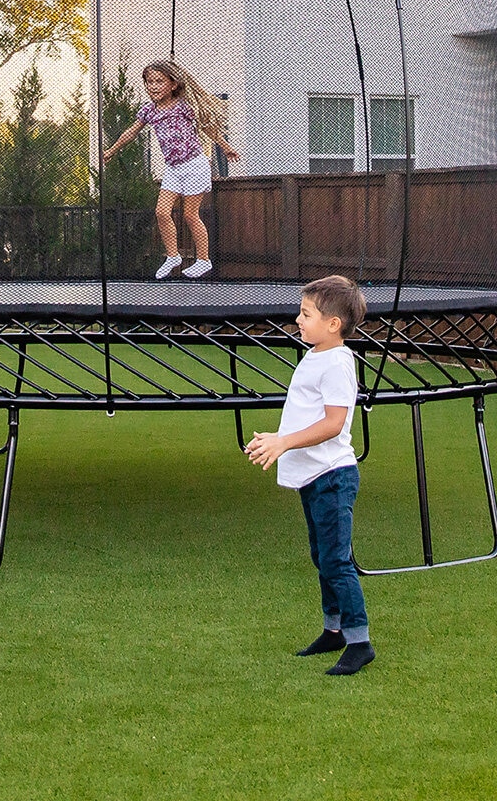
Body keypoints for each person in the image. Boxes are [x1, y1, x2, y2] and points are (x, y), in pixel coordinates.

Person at [245, 275, 375, 676]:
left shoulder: (337, 362)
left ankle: (359, 641)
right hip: (314, 478)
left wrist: (283, 443)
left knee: (336, 561)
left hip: (333, 477)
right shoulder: (317, 354)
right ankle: (333, 630)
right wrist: (278, 438)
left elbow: (334, 423)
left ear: (333, 323)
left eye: (305, 314)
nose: (298, 320)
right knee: (323, 556)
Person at [102, 59, 238, 279]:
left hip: (195, 165)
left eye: (159, 81)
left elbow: (207, 128)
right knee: (162, 212)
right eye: (149, 82)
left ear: (173, 84)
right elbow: (131, 132)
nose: (153, 86)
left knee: (190, 215)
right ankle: (173, 256)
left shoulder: (184, 106)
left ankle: (203, 260)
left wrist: (226, 147)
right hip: (173, 168)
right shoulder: (149, 111)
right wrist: (111, 150)